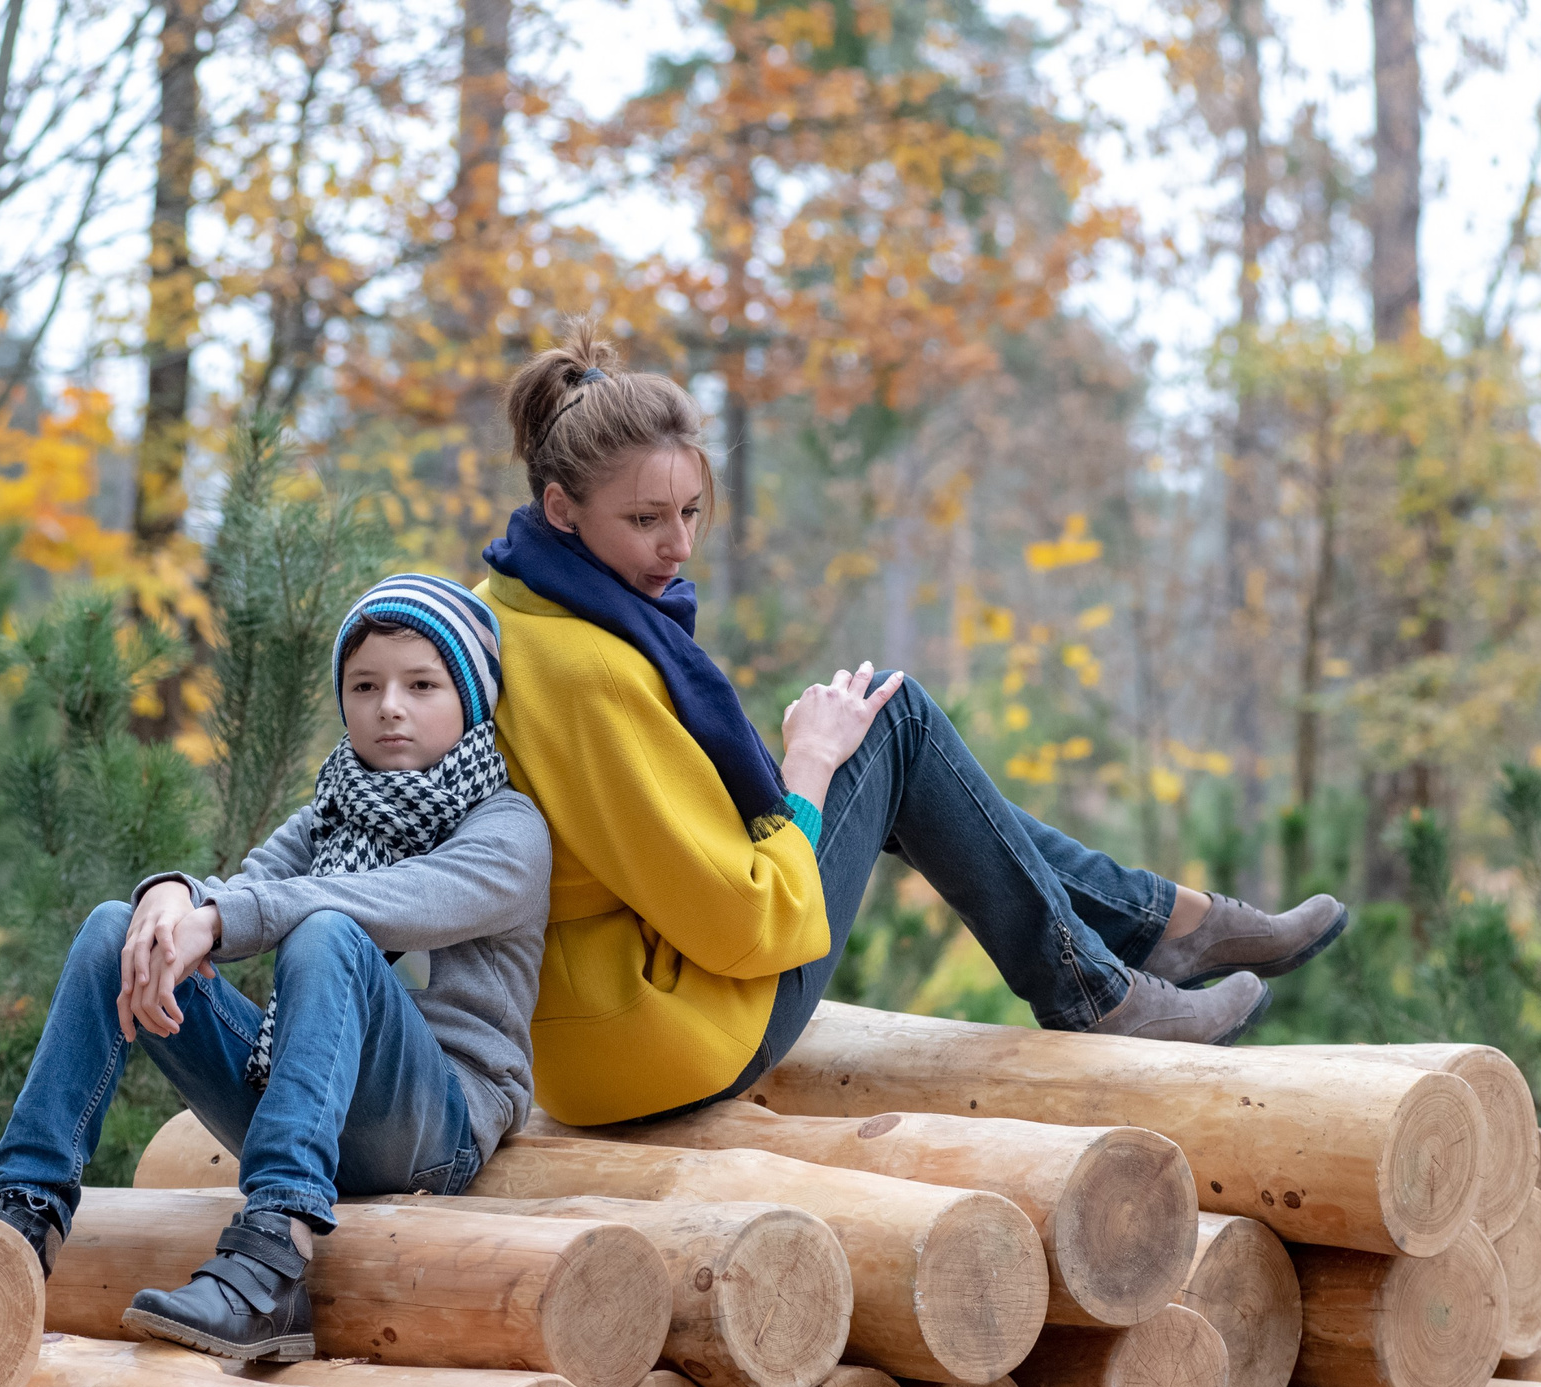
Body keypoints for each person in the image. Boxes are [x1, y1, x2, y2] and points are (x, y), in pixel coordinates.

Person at [481, 328, 1347, 1128]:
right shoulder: (593, 671)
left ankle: (1158, 930)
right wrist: (811, 768)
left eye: (691, 512)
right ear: (562, 509)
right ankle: (1119, 968)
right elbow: (746, 923)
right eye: (645, 520)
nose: (678, 546)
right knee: (891, 719)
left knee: (884, 721)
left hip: (591, 1032)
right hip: (667, 1035)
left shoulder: (513, 608)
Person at [0, 576, 549, 1360]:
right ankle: (19, 1224)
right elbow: (246, 891)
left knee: (328, 932)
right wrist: (176, 896)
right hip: (301, 1099)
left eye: (422, 684)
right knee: (120, 929)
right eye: (365, 684)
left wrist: (216, 914)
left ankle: (273, 1260)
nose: (390, 705)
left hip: (432, 1131)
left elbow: (379, 903)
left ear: (473, 701)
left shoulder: (510, 830)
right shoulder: (329, 813)